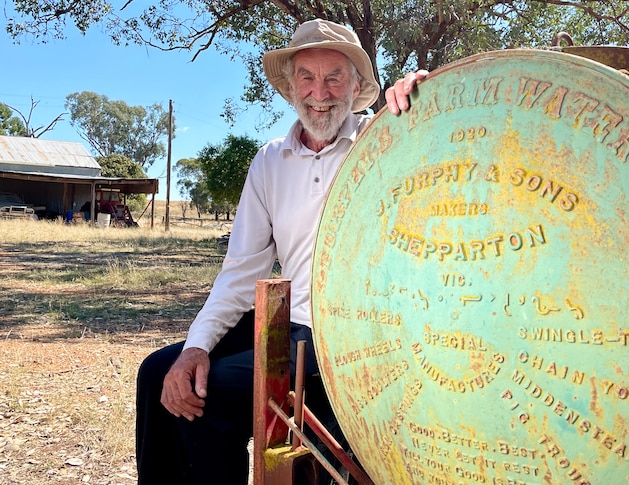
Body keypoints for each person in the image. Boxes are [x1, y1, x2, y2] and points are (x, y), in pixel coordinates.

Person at [135, 19, 426, 485]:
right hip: (284, 325)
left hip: (347, 338)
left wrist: (427, 94)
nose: (320, 91)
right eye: (307, 77)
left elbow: (445, 133)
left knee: (208, 399)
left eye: (335, 76)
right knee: (161, 373)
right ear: (291, 87)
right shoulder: (271, 159)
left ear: (356, 86)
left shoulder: (385, 140)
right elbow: (240, 270)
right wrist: (195, 347)